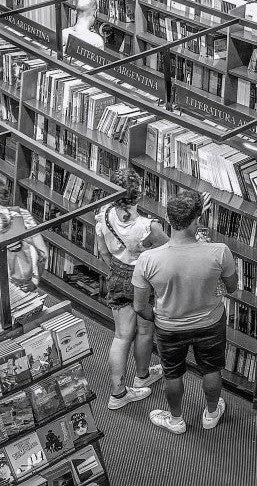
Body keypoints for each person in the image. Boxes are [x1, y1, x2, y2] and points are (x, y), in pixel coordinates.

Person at [131, 188, 236, 434]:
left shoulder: (148, 260)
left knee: (172, 373)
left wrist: (156, 317)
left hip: (169, 326)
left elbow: (139, 306)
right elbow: (231, 287)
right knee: (211, 369)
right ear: (198, 220)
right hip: (210, 322)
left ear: (168, 219)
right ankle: (211, 413)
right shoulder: (219, 252)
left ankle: (176, 419)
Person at [97, 169, 167, 410]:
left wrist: (118, 269)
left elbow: (104, 252)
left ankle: (117, 394)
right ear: (140, 195)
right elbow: (171, 253)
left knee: (121, 336)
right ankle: (142, 376)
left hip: (116, 275)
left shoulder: (103, 216)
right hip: (144, 281)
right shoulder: (149, 227)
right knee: (145, 331)